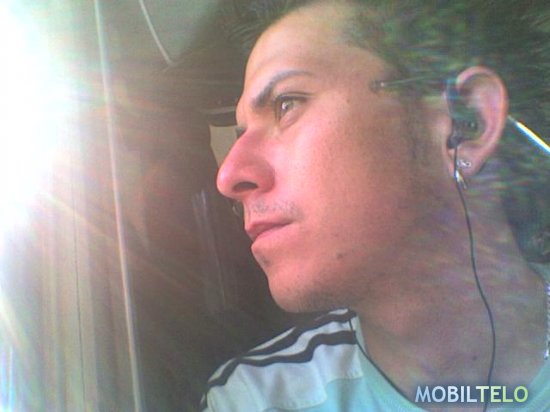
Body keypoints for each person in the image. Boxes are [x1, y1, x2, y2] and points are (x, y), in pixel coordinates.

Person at [201, 0, 550, 410]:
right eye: (241, 133)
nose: (228, 177)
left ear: (465, 123)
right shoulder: (253, 401)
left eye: (286, 104)